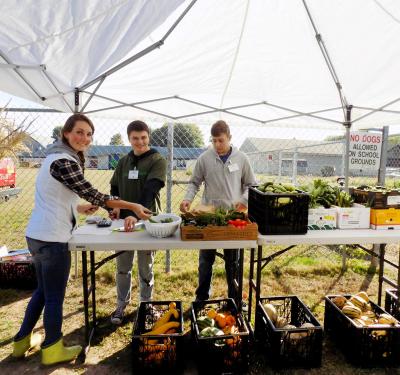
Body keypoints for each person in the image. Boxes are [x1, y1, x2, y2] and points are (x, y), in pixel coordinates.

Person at [12, 114, 151, 365]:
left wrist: (78, 208)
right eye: (79, 132)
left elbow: (55, 197)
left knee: (43, 292)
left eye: (89, 134)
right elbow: (95, 193)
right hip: (52, 239)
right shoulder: (64, 160)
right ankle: (53, 347)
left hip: (37, 234)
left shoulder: (54, 157)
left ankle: (21, 341)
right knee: (54, 296)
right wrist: (133, 205)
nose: (84, 138)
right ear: (66, 133)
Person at [180, 120, 256, 304]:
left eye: (221, 140)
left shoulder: (242, 158)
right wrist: (187, 199)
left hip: (233, 219)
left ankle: (235, 298)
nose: (217, 145)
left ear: (229, 137)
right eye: (214, 140)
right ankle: (202, 297)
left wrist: (244, 201)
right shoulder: (205, 158)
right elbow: (194, 182)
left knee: (233, 263)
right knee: (206, 261)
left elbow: (251, 185)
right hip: (209, 218)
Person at [109, 120, 166, 325]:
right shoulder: (124, 161)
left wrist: (136, 212)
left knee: (145, 266)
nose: (140, 142)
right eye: (135, 138)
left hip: (146, 221)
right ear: (129, 139)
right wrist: (115, 205)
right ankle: (121, 304)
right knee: (123, 266)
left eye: (143, 137)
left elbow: (151, 189)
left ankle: (146, 304)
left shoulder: (157, 159)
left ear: (148, 136)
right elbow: (114, 187)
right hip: (124, 222)